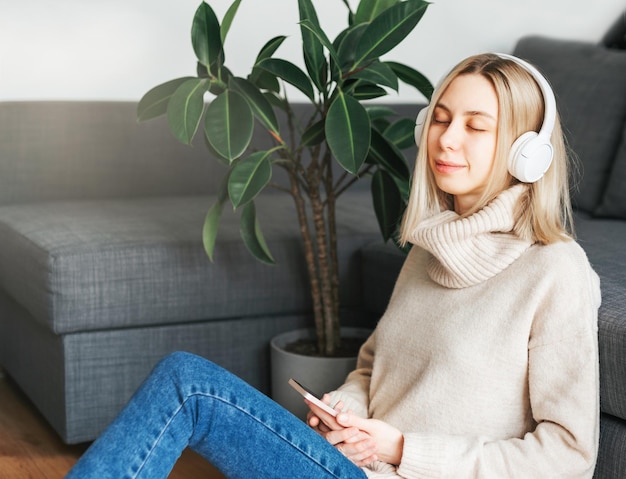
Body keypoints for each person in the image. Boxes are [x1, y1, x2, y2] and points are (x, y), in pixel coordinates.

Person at [66, 53, 600, 479]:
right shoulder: (428, 249)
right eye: (438, 118)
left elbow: (569, 456)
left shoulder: (555, 271)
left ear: (525, 152)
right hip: (352, 465)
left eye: (475, 126)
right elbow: (372, 368)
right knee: (183, 378)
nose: (446, 138)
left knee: (189, 384)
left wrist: (404, 449)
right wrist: (343, 409)